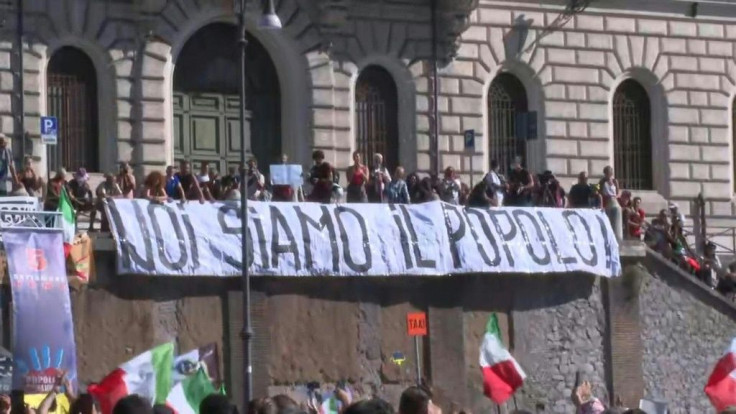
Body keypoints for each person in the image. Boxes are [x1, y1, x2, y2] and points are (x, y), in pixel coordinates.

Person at [600, 166, 622, 239]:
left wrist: (616, 196)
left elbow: (618, 193)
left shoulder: (615, 181)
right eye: (607, 173)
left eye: (610, 173)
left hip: (614, 201)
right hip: (606, 202)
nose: (608, 175)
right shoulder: (602, 181)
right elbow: (596, 191)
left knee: (616, 220)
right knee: (608, 220)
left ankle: (617, 236)